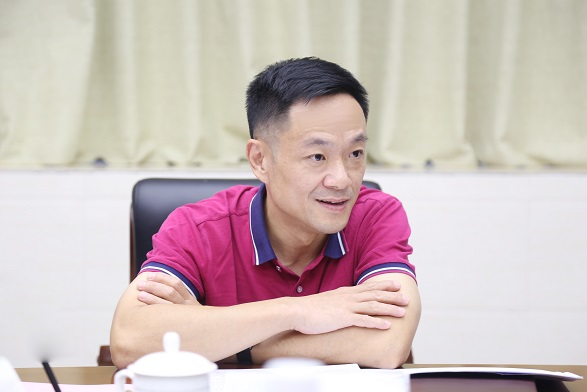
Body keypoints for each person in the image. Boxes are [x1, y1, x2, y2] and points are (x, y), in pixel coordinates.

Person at [110, 57, 421, 369]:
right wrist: (297, 311)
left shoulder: (375, 216)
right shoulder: (198, 227)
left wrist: (229, 343)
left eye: (355, 153)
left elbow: (387, 344)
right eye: (317, 156)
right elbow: (130, 341)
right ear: (260, 160)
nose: (342, 180)